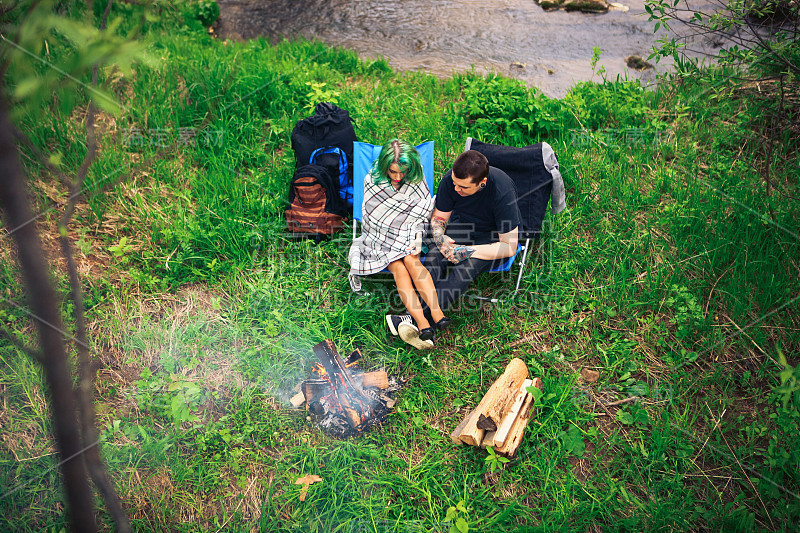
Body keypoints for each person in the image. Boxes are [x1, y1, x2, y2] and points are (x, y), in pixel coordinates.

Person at [385, 149, 521, 342]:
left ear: (482, 183)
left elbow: (509, 246)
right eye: (455, 184)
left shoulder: (502, 190)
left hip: (493, 239)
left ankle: (414, 320)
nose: (456, 189)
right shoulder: (452, 179)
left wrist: (466, 252)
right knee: (433, 255)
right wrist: (440, 238)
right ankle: (423, 321)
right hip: (463, 225)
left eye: (463, 188)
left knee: (465, 268)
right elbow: (440, 217)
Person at [349, 139, 451, 350]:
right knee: (398, 267)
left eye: (401, 172)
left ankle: (436, 313)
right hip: (379, 237)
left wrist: (418, 237)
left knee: (412, 260)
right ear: (385, 167)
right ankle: (422, 322)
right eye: (392, 172)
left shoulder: (416, 174)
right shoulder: (373, 179)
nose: (397, 177)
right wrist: (393, 237)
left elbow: (422, 211)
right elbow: (373, 216)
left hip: (411, 233)